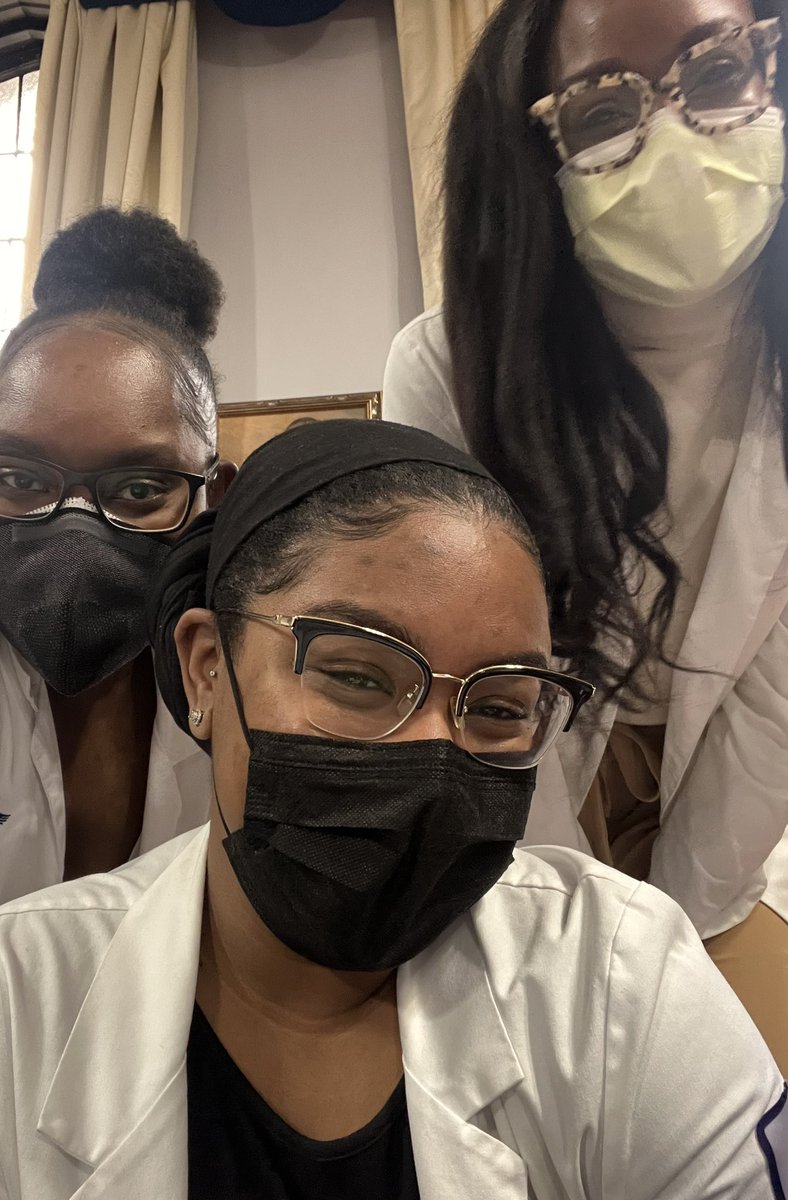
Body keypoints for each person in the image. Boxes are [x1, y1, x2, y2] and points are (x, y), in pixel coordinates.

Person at [0, 419, 782, 1200]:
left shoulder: (622, 976)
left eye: (502, 705)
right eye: (357, 675)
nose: (432, 752)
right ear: (207, 669)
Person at [382, 0, 788, 1067]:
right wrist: (585, 948)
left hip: (726, 777)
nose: (676, 142)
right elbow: (483, 682)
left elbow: (779, 694)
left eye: (715, 72)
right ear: (531, 148)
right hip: (522, 762)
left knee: (721, 1076)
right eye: (606, 106)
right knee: (530, 1053)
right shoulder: (447, 372)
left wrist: (680, 938)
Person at [0, 206, 230, 1010]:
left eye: (140, 489)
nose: (72, 533)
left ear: (215, 495)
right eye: (19, 477)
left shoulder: (238, 666)